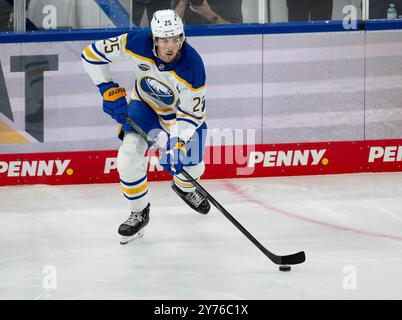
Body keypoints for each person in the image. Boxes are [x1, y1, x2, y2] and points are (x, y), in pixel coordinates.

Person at [81, 9, 210, 243]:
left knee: (191, 169)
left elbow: (191, 114)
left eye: (175, 39)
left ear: (182, 38)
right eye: (163, 40)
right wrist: (106, 88)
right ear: (154, 38)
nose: (170, 47)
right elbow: (91, 54)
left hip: (181, 119)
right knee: (128, 156)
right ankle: (139, 211)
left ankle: (186, 188)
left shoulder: (193, 66)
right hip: (145, 109)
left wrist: (176, 145)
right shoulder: (136, 42)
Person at [174, 0, 243, 25]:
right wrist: (182, 3)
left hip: (222, 45)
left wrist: (210, 15)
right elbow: (169, 26)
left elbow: (238, 30)